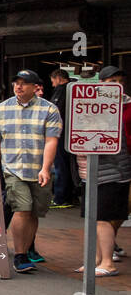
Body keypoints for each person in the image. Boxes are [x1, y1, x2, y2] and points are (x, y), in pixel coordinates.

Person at [0, 70, 62, 274]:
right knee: (22, 209)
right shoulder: (1, 109)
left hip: (39, 170)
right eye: (16, 83)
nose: (18, 87)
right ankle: (19, 255)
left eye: (24, 83)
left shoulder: (49, 109)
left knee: (34, 213)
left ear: (35, 87)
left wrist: (45, 168)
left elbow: (51, 141)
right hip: (13, 169)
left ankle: (26, 251)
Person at [82, 65, 130, 276]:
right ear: (100, 85)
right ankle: (96, 260)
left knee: (103, 217)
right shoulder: (92, 106)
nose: (116, 87)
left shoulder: (125, 107)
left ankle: (107, 262)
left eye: (119, 82)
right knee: (94, 218)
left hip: (115, 170)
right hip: (91, 171)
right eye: (111, 82)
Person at [47, 68, 78, 209]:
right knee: (70, 165)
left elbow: (54, 111)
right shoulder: (76, 89)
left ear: (59, 78)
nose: (53, 85)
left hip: (61, 133)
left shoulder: (61, 90)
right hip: (73, 134)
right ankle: (72, 196)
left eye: (53, 81)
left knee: (61, 166)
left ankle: (61, 198)